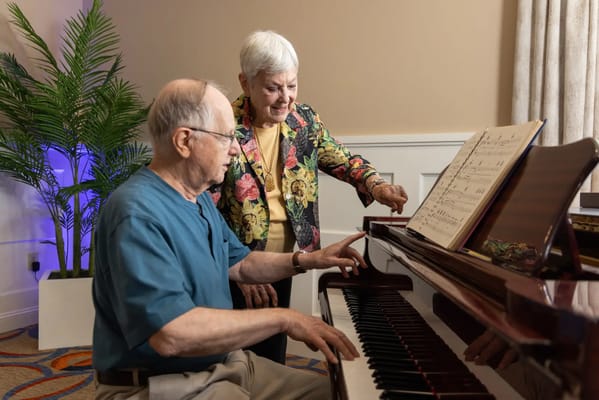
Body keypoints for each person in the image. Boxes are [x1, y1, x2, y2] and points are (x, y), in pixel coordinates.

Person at [92, 78, 369, 400]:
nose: (236, 148)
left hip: (226, 363)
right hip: (158, 384)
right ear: (185, 141)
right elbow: (171, 334)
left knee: (343, 394)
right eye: (226, 137)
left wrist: (309, 260)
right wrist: (284, 318)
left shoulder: (197, 199)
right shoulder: (136, 213)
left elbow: (241, 263)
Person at [212, 30, 409, 364]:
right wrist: (236, 268)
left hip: (284, 261)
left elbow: (342, 159)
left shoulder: (304, 120)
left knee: (271, 356)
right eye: (273, 87)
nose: (286, 98)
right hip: (230, 260)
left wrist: (377, 185)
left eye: (292, 85)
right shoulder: (223, 125)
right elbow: (204, 205)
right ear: (245, 83)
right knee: (231, 359)